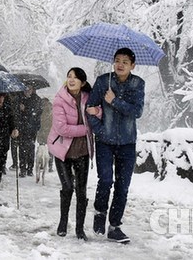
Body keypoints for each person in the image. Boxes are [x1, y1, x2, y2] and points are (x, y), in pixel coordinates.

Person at [85, 47, 145, 244]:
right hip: (105, 141)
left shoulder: (138, 84)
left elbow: (137, 112)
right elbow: (89, 109)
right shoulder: (103, 81)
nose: (120, 64)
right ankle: (100, 212)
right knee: (106, 180)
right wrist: (99, 131)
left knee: (123, 186)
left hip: (127, 143)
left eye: (125, 62)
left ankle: (115, 226)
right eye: (117, 60)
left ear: (132, 66)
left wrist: (114, 101)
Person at [48, 67, 93, 240]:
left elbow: (98, 116)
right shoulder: (59, 99)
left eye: (75, 77)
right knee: (67, 187)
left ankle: (80, 229)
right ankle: (63, 222)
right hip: (62, 151)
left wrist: (96, 112)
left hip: (82, 150)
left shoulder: (89, 98)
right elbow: (62, 128)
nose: (71, 80)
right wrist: (86, 129)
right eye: (69, 77)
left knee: (81, 191)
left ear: (82, 82)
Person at [15, 85, 42, 177]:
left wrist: (25, 109)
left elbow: (37, 113)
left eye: (29, 88)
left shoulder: (37, 99)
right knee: (22, 148)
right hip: (22, 128)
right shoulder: (19, 99)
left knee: (30, 148)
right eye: (25, 89)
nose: (27, 91)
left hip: (32, 128)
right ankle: (22, 168)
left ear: (32, 89)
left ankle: (30, 168)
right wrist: (19, 109)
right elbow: (15, 113)